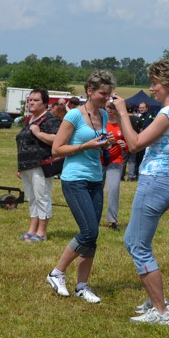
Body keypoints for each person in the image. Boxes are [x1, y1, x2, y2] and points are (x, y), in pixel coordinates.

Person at [110, 60, 169, 325]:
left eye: (155, 83)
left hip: (154, 182)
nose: (151, 88)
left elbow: (135, 145)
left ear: (168, 84)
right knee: (136, 241)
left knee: (136, 244)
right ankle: (155, 300)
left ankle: (161, 310)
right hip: (161, 181)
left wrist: (122, 112)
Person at [45, 70, 115, 304]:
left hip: (96, 178)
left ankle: (82, 286)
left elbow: (96, 143)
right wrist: (85, 146)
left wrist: (105, 144)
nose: (106, 98)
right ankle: (57, 272)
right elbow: (56, 149)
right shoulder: (73, 115)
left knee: (92, 237)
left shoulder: (104, 115)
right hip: (74, 179)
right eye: (102, 94)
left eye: (109, 94)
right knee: (88, 232)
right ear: (89, 91)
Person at [15, 88, 62, 242]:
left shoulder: (50, 119)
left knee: (42, 197)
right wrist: (20, 166)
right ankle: (32, 229)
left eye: (36, 100)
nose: (31, 103)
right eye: (30, 100)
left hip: (40, 165)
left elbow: (57, 139)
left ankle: (42, 232)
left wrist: (38, 133)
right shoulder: (29, 120)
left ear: (45, 103)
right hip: (27, 165)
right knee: (31, 198)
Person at [102, 102, 127, 231]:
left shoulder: (122, 125)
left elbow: (130, 145)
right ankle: (93, 217)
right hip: (99, 160)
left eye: (113, 108)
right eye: (108, 107)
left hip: (115, 161)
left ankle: (112, 221)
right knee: (96, 190)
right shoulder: (100, 122)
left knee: (113, 189)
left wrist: (124, 145)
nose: (110, 110)